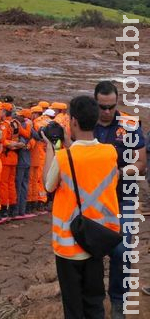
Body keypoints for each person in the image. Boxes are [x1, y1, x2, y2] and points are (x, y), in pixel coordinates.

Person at [43, 95, 120, 319]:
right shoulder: (109, 153)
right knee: (95, 302)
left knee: (73, 307)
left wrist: (50, 147)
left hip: (68, 247)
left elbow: (48, 185)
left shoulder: (64, 157)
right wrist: (70, 143)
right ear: (96, 119)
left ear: (73, 121)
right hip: (97, 241)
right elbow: (91, 169)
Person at [92, 80, 146, 318]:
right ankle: (94, 300)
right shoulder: (85, 123)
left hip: (123, 197)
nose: (106, 112)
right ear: (95, 102)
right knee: (90, 251)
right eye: (102, 107)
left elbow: (141, 164)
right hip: (93, 200)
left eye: (110, 106)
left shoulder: (130, 125)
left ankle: (117, 301)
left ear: (117, 103)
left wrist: (120, 173)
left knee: (121, 250)